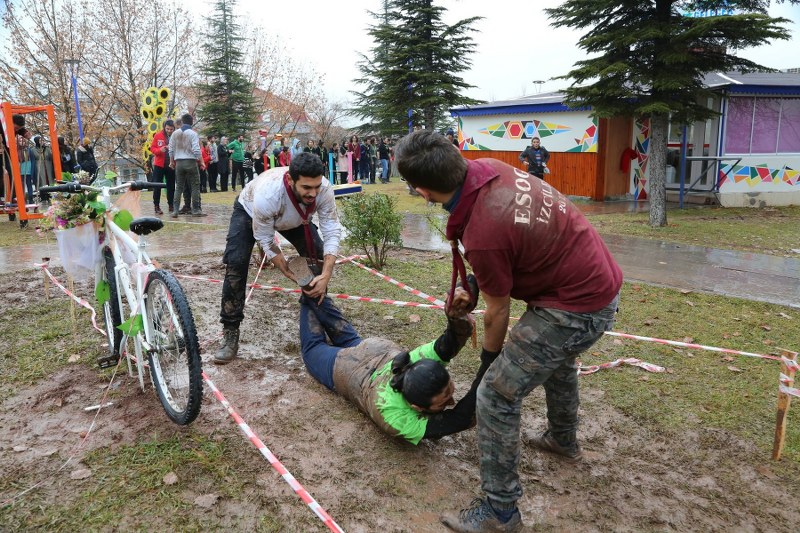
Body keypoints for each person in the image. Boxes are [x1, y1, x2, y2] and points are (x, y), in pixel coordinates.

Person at [395, 130, 622, 533]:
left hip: (574, 306)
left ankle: (500, 514)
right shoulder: (488, 170)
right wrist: (475, 284)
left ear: (424, 191)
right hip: (592, 285)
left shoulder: (484, 230)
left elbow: (498, 313)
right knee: (558, 360)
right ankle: (562, 440)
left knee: (497, 396)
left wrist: (488, 366)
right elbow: (510, 249)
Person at [296, 271, 486, 444]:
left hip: (375, 349)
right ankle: (308, 292)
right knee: (312, 348)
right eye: (444, 401)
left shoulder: (417, 360)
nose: (451, 401)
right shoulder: (393, 417)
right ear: (416, 407)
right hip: (350, 368)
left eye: (449, 392)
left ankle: (311, 287)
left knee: (349, 339)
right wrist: (489, 368)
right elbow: (460, 420)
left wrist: (457, 314)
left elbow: (449, 344)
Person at [215, 153, 342, 364]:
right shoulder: (268, 195)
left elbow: (332, 230)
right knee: (236, 264)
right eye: (306, 188)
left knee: (319, 253)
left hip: (295, 218)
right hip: (249, 210)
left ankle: (319, 317)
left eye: (316, 187)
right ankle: (230, 331)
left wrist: (326, 274)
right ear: (291, 181)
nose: (313, 193)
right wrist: (288, 271)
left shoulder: (324, 189)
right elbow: (265, 238)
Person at [169, 113, 206, 218]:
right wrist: (201, 161)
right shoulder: (193, 133)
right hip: (190, 162)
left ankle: (175, 210)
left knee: (179, 187)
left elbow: (171, 149)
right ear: (192, 121)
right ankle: (195, 209)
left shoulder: (175, 133)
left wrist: (172, 161)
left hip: (179, 163)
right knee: (195, 186)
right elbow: (196, 149)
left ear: (182, 121)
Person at [149, 119, 175, 215]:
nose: (169, 131)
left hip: (171, 165)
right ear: (164, 127)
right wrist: (160, 150)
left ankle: (171, 205)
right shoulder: (158, 135)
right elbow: (152, 148)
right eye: (167, 129)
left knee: (171, 186)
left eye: (171, 129)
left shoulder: (175, 136)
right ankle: (157, 206)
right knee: (157, 186)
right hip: (159, 165)